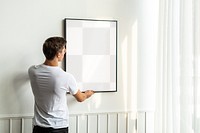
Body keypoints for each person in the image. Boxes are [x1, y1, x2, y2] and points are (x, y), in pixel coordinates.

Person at [28, 37, 94, 133]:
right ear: (58, 54)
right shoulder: (66, 77)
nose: (65, 52)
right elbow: (81, 98)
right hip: (59, 127)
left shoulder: (32, 71)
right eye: (64, 50)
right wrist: (88, 93)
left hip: (39, 128)